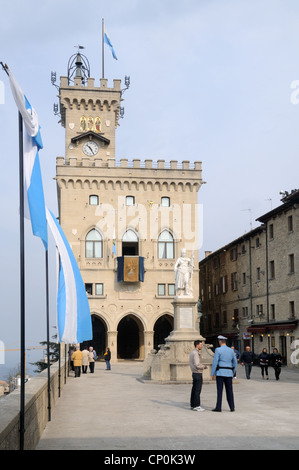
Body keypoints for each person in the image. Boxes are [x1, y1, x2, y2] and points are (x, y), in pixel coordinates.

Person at [211, 335, 237, 412]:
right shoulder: (231, 350)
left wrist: (212, 373)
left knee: (220, 391)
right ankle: (232, 407)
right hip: (229, 373)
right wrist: (233, 372)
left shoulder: (218, 350)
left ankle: (218, 407)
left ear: (220, 341)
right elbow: (235, 363)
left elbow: (215, 362)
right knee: (230, 391)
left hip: (220, 372)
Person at [189, 340, 207, 411]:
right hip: (197, 373)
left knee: (194, 389)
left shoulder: (192, 352)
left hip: (194, 373)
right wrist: (204, 366)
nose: (202, 346)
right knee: (197, 390)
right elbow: (197, 364)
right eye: (201, 344)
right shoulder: (195, 353)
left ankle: (193, 404)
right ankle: (197, 405)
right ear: (197, 345)